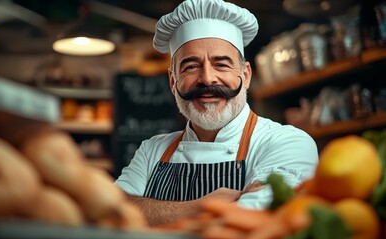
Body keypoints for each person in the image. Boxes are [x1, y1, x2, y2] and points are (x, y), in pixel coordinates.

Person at [115, 0, 318, 226]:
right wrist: (202, 206)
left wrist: (147, 212)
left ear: (246, 75)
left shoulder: (287, 142)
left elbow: (245, 227)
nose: (207, 78)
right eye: (191, 66)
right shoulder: (152, 150)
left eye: (221, 64)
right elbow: (111, 212)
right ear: (173, 82)